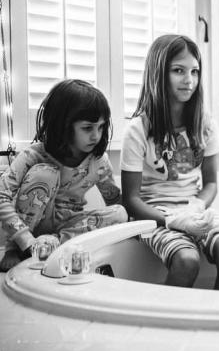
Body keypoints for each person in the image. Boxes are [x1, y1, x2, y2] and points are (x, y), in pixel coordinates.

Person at [120, 34, 219, 290]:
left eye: (195, 72)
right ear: (158, 74)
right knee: (187, 261)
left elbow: (211, 183)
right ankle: (170, 328)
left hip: (193, 209)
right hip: (154, 215)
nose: (189, 80)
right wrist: (171, 221)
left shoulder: (205, 124)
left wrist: (195, 208)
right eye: (178, 71)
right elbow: (131, 201)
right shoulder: (138, 129)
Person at [0, 79, 127, 271]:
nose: (96, 136)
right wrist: (24, 240)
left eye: (101, 127)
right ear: (63, 125)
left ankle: (53, 245)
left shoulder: (99, 161)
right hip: (29, 229)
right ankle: (18, 249)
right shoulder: (34, 155)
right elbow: (2, 195)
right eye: (88, 128)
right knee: (45, 173)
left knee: (120, 213)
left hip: (67, 227)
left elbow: (114, 201)